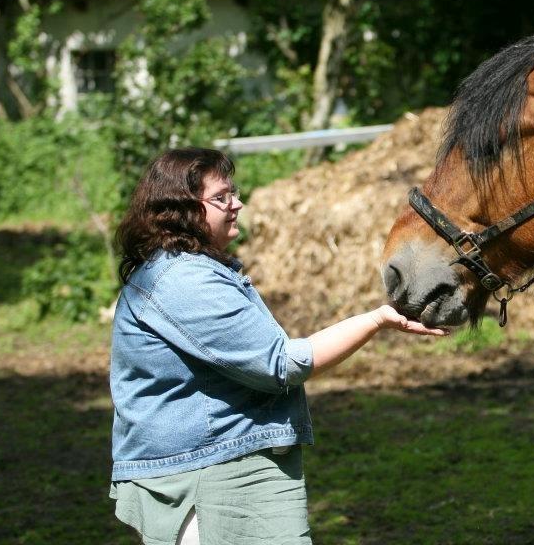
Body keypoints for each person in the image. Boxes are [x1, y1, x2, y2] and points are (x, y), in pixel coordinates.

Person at [108, 147, 446, 545]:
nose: (238, 204)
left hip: (220, 464)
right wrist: (375, 320)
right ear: (181, 209)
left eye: (234, 193)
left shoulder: (191, 271)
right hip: (211, 475)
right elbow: (280, 364)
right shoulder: (185, 281)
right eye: (222, 197)